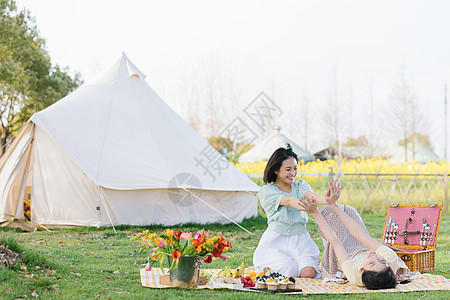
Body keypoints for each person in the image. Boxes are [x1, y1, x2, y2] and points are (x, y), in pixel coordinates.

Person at [299, 181, 410, 289]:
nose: (374, 256)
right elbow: (358, 233)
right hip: (363, 247)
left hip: (348, 255)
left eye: (371, 263)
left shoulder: (353, 275)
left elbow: (336, 242)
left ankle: (329, 211)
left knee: (331, 216)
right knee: (348, 210)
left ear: (362, 270)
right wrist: (334, 205)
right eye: (382, 261)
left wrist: (315, 212)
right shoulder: (390, 259)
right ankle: (336, 208)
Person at [253, 144, 336, 278]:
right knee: (289, 270)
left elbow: (309, 195)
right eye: (288, 169)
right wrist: (306, 205)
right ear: (275, 170)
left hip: (301, 240)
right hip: (277, 240)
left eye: (295, 168)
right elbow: (288, 200)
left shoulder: (301, 185)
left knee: (308, 273)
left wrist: (328, 200)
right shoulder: (267, 191)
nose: (293, 173)